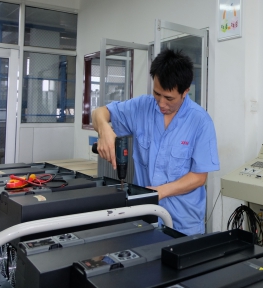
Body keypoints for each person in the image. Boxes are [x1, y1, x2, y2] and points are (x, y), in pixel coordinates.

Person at [92, 49, 219, 235]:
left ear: (185, 91)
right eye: (157, 94)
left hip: (183, 223)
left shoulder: (200, 121)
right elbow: (99, 113)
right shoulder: (141, 107)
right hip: (144, 218)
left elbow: (199, 177)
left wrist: (159, 192)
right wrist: (104, 130)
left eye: (169, 98)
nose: (161, 103)